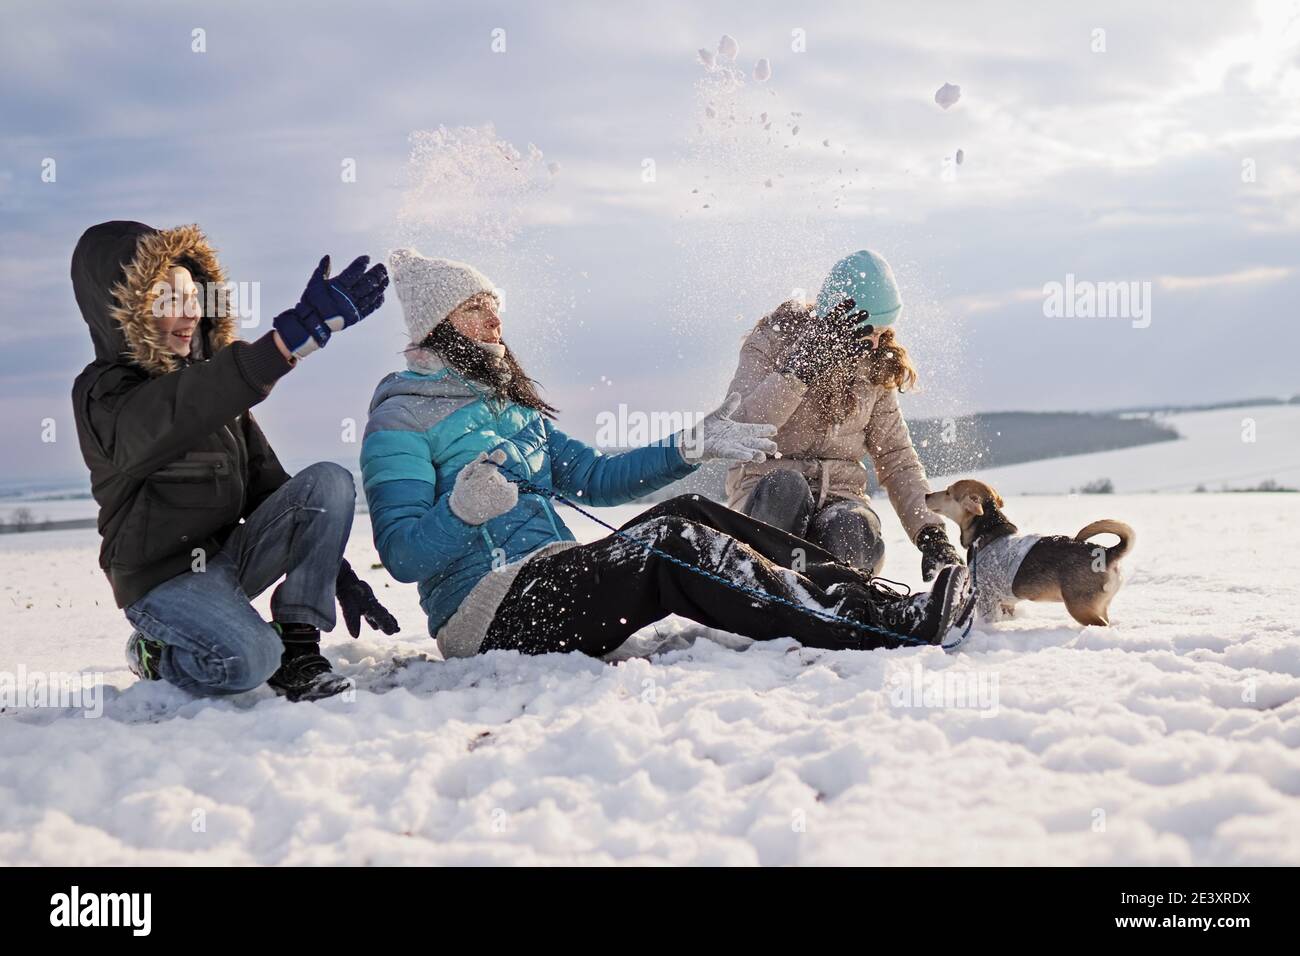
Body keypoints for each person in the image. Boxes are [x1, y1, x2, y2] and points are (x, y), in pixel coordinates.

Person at [359, 249, 971, 660]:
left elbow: (597, 478)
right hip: (487, 611)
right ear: (437, 325)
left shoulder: (510, 408)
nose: (495, 320)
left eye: (495, 304)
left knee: (689, 512)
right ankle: (881, 628)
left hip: (548, 570)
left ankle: (867, 599)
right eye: (475, 307)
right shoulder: (402, 417)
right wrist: (462, 510)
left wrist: (691, 445)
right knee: (671, 546)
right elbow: (403, 554)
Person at [71, 220, 398, 702]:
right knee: (247, 661)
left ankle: (299, 650)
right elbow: (177, 411)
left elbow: (273, 491)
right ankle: (157, 654)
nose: (188, 315)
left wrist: (335, 572)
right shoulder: (105, 393)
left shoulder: (216, 389)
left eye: (192, 298)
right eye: (166, 302)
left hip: (227, 561)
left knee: (327, 481)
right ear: (125, 311)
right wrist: (283, 346)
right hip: (162, 582)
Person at [722, 249, 964, 581]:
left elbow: (896, 458)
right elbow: (738, 431)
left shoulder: (876, 364)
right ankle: (761, 588)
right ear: (845, 317)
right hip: (765, 501)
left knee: (849, 526)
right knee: (786, 487)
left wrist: (930, 533)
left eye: (884, 331)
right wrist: (798, 372)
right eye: (872, 330)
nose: (879, 342)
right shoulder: (772, 341)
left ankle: (839, 602)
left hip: (840, 501)